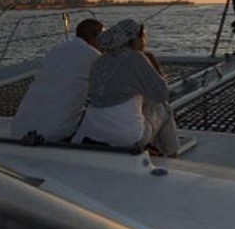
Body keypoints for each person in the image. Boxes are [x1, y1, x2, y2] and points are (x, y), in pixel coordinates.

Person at [72, 19, 179, 156]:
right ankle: (171, 156)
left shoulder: (99, 61)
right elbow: (162, 94)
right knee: (163, 108)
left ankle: (158, 150)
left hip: (90, 133)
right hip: (126, 139)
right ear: (137, 38)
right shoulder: (136, 58)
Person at [11, 18, 103, 141]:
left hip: (19, 129)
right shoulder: (95, 57)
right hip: (56, 132)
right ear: (96, 37)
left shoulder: (56, 49)